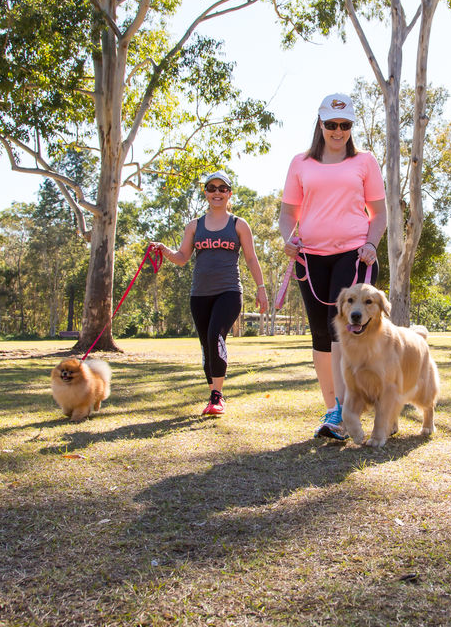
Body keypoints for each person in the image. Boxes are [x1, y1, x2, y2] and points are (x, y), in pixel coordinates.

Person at [279, 93, 387, 440]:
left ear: (351, 127)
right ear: (320, 123)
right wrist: (287, 238)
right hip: (309, 257)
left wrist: (371, 243)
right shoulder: (300, 163)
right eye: (331, 124)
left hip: (354, 255)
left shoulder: (365, 162)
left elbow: (379, 213)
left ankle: (344, 411)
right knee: (321, 334)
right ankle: (332, 409)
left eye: (345, 125)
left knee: (341, 329)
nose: (338, 131)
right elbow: (287, 215)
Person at [155, 170, 269, 416]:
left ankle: (218, 396)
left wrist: (261, 289)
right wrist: (165, 250)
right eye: (212, 188)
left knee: (216, 336)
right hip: (199, 294)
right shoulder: (194, 226)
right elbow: (183, 257)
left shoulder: (238, 224)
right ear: (205, 192)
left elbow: (251, 258)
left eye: (222, 188)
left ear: (229, 193)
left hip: (228, 292)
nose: (217, 192)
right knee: (206, 344)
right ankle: (213, 395)